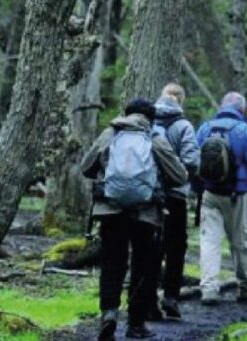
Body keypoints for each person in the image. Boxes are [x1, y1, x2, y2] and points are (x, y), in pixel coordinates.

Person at [81, 98, 187, 341]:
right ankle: (136, 323)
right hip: (145, 214)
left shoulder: (110, 134)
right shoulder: (154, 138)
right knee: (143, 267)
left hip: (110, 211)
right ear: (151, 118)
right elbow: (180, 176)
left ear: (126, 113)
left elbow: (86, 167)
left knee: (112, 263)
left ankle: (109, 314)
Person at [194, 91, 247, 304]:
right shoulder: (246, 131)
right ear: (241, 109)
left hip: (210, 194)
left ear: (222, 106)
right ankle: (246, 286)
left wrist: (198, 188)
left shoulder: (205, 128)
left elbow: (195, 161)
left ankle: (209, 288)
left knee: (209, 241)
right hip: (238, 194)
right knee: (241, 241)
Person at [153, 82, 199, 320]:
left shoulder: (147, 122)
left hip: (149, 196)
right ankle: (171, 297)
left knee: (151, 247)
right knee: (175, 248)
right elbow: (191, 161)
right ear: (181, 101)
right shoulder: (184, 126)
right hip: (175, 196)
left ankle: (147, 298)